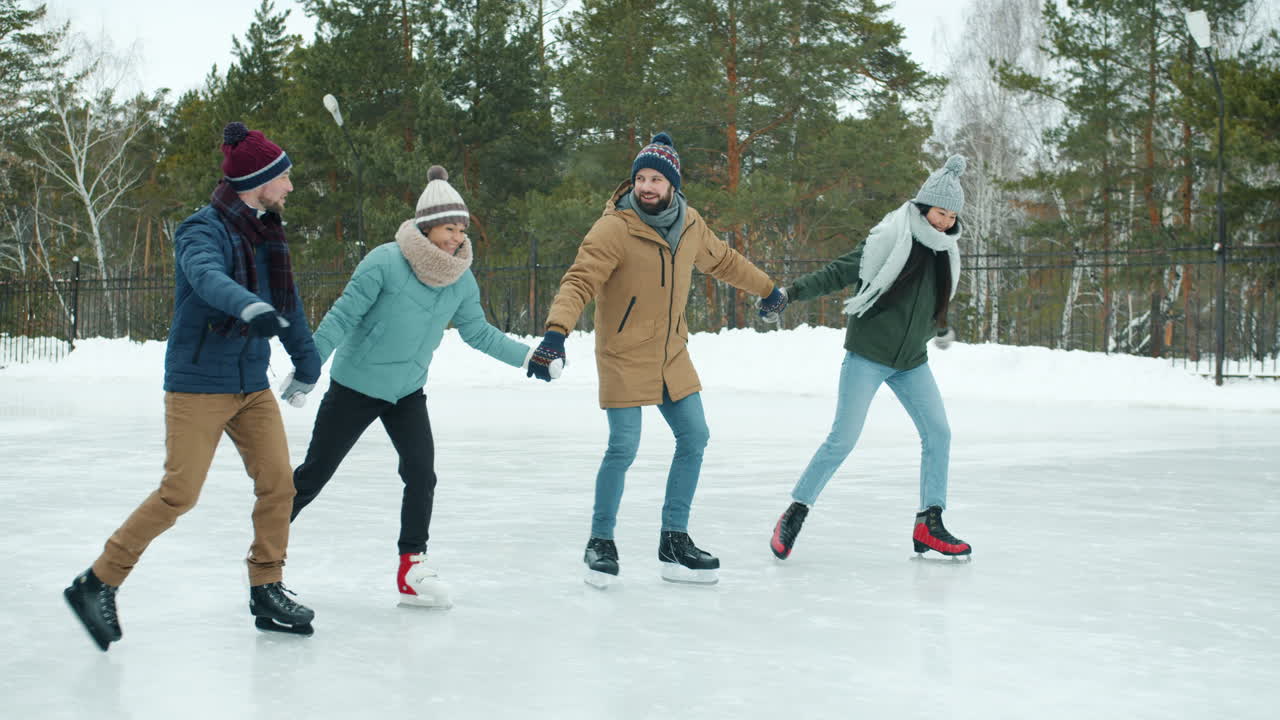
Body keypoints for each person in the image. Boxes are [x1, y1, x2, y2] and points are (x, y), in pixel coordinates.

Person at [64, 122, 322, 651]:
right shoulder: (200, 230)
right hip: (199, 385)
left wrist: (307, 361)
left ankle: (266, 588)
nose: (291, 187)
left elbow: (289, 304)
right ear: (260, 179)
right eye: (285, 177)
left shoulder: (270, 234)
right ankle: (97, 581)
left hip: (250, 385)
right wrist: (247, 305)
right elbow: (206, 277)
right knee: (179, 494)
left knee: (279, 483)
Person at [288, 165, 554, 608]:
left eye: (461, 229)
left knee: (421, 473)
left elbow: (479, 333)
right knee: (315, 474)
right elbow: (342, 316)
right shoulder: (384, 262)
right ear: (427, 226)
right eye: (449, 228)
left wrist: (530, 358)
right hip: (356, 385)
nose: (456, 237)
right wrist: (307, 369)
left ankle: (412, 567)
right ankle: (264, 552)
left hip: (406, 391)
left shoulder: (460, 278)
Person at [527, 132, 785, 587]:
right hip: (624, 352)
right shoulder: (614, 228)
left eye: (655, 179)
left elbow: (725, 262)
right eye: (640, 178)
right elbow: (580, 281)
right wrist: (555, 333)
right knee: (624, 446)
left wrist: (769, 289)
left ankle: (674, 539)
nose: (646, 186)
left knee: (695, 436)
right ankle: (600, 541)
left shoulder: (691, 226)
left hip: (670, 352)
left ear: (672, 185)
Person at [767, 154, 973, 561]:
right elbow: (839, 271)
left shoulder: (946, 253)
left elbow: (930, 304)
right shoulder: (889, 239)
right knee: (843, 439)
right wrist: (789, 294)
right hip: (868, 355)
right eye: (939, 212)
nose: (945, 221)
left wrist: (938, 328)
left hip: (911, 361)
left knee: (939, 433)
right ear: (921, 207)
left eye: (951, 215)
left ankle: (928, 522)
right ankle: (795, 511)